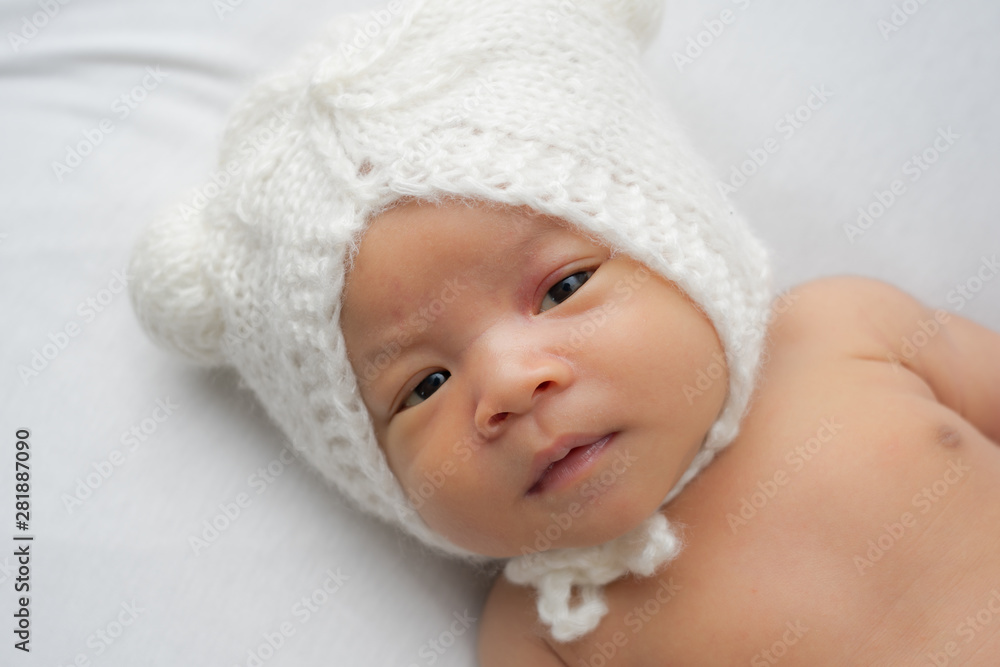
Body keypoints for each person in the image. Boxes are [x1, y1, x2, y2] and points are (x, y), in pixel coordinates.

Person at [127, 0, 1000, 664]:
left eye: (564, 287)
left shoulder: (844, 329)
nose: (508, 383)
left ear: (683, 244)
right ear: (378, 481)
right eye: (420, 386)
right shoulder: (544, 633)